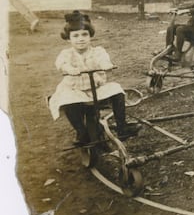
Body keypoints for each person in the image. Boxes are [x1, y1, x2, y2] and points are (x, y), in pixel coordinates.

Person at [48, 11, 141, 145]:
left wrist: (106, 65)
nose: (81, 39)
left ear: (90, 36)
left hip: (96, 88)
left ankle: (122, 127)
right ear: (68, 39)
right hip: (75, 90)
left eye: (84, 34)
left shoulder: (98, 51)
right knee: (66, 99)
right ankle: (81, 132)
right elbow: (61, 64)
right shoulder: (67, 54)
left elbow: (103, 60)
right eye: (75, 36)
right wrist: (70, 69)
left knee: (117, 89)